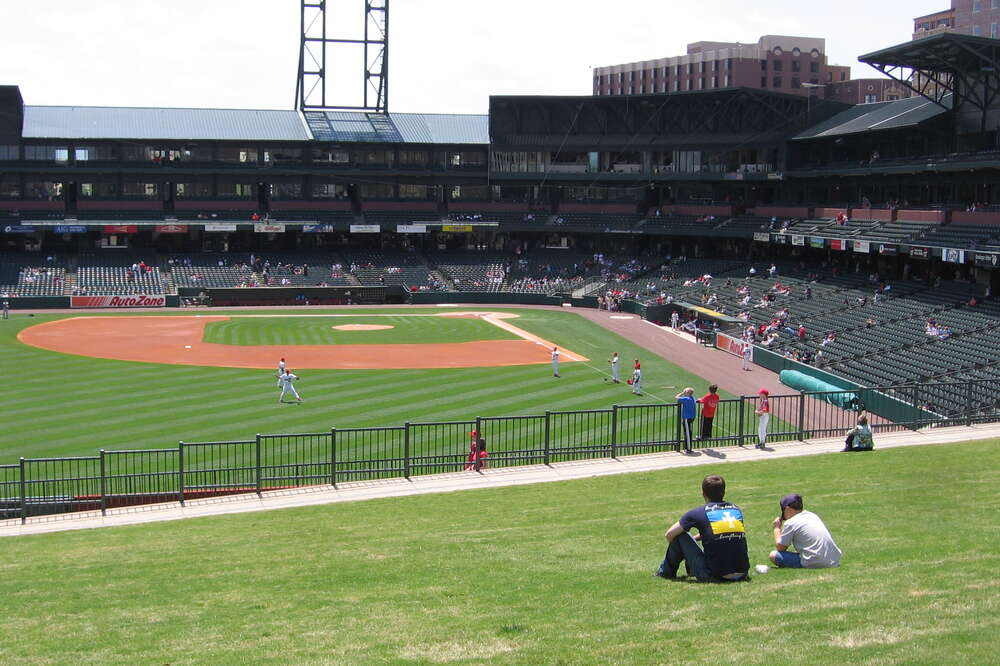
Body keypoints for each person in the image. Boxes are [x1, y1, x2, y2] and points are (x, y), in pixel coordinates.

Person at [654, 474, 750, 582]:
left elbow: (669, 535)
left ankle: (665, 573)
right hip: (743, 573)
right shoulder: (735, 509)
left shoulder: (697, 513)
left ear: (703, 494)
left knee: (680, 535)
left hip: (715, 575)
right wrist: (693, 539)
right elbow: (719, 532)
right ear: (724, 492)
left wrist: (684, 548)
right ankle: (689, 569)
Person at [769, 493, 842, 569]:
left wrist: (776, 528)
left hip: (815, 562)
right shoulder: (812, 515)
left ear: (788, 509)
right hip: (833, 561)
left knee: (773, 555)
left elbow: (780, 548)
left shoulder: (790, 523)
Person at [676, 388, 697, 453]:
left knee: (687, 434)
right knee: (688, 432)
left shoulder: (686, 399)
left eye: (686, 392)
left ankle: (688, 449)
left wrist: (682, 392)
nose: (685, 393)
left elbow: (677, 397)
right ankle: (687, 447)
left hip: (687, 418)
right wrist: (685, 392)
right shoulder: (692, 398)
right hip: (691, 417)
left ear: (688, 393)